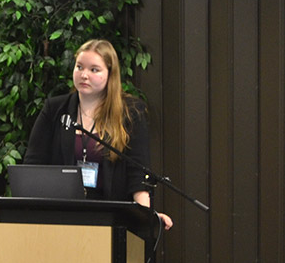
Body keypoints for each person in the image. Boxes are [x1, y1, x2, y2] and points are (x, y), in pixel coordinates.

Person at [23, 38, 173, 230]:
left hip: (111, 217)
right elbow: (33, 167)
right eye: (79, 67)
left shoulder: (130, 112)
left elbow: (138, 175)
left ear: (110, 75)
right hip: (60, 216)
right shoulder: (55, 110)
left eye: (94, 70)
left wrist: (145, 215)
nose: (84, 75)